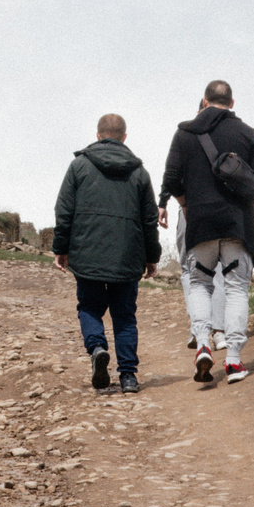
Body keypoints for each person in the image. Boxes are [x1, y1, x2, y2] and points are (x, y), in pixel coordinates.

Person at [158, 80, 254, 386]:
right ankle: (233, 361)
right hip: (238, 224)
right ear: (232, 104)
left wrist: (186, 206)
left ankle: (203, 343)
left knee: (199, 284)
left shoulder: (184, 133)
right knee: (236, 289)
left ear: (205, 102)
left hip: (201, 224)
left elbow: (171, 179)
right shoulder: (247, 133)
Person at [52, 113, 161, 395]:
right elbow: (150, 220)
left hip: (87, 255)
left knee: (89, 308)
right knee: (125, 317)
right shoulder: (139, 173)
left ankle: (98, 347)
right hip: (127, 257)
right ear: (124, 137)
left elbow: (63, 212)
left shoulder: (79, 167)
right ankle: (128, 378)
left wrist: (61, 250)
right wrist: (152, 257)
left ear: (98, 135)